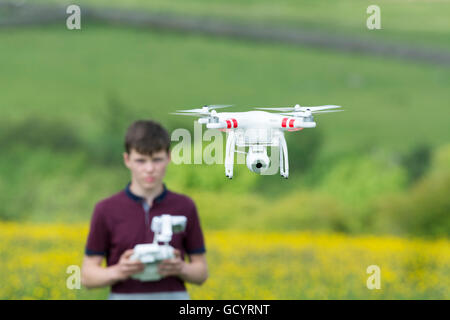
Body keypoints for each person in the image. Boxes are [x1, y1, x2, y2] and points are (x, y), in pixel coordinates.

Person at [81, 120, 208, 300]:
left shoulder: (185, 206)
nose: (149, 169)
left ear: (169, 157)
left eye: (157, 160)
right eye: (141, 160)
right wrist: (119, 271)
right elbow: (87, 276)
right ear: (127, 160)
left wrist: (180, 268)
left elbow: (201, 272)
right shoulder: (106, 209)